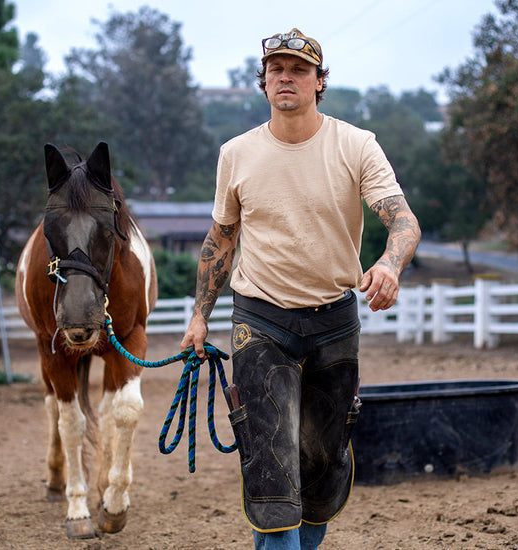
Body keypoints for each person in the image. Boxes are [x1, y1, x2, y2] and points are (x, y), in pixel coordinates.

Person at [180, 28, 421, 550]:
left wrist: (390, 263)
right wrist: (200, 314)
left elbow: (402, 221)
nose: (285, 78)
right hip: (260, 320)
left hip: (335, 320)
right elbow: (221, 239)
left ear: (318, 83)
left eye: (298, 70)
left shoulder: (356, 145)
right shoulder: (236, 153)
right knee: (270, 459)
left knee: (321, 464)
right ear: (264, 83)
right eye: (276, 70)